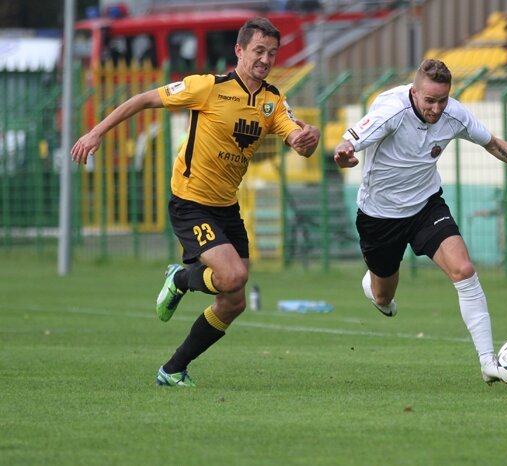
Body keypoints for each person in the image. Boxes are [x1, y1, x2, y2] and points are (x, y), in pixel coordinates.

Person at [71, 17, 321, 386]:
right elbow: (143, 99)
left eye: (272, 53)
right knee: (233, 276)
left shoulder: (273, 101)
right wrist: (96, 133)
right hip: (190, 202)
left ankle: (172, 370)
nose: (266, 59)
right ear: (239, 50)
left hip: (226, 206)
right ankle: (180, 278)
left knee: (234, 300)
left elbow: (298, 141)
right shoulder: (207, 87)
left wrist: (308, 139)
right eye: (258, 51)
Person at [333, 59, 507, 384]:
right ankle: (373, 283)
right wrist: (344, 154)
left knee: (464, 270)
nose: (437, 108)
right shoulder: (391, 111)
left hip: (426, 206)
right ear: (415, 92)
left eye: (442, 100)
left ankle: (487, 362)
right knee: (384, 298)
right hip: (380, 216)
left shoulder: (454, 114)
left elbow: (493, 143)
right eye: (430, 100)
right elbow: (348, 142)